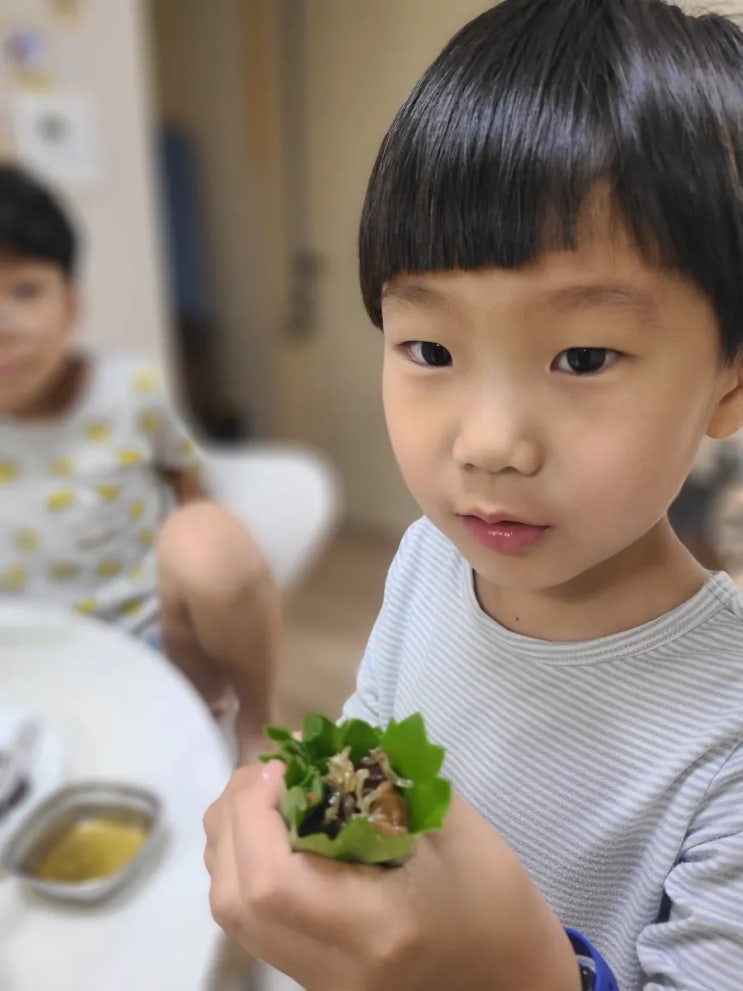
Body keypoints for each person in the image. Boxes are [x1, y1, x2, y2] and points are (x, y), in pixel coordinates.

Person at [203, 1, 743, 988]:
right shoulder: (426, 557)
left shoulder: (725, 733)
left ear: (728, 382)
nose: (488, 443)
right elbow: (375, 732)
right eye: (429, 348)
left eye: (582, 356)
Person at [0, 165, 277, 762]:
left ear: (71, 303)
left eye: (24, 291)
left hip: (147, 643)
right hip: (23, 668)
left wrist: (198, 596)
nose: (5, 326)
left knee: (208, 541)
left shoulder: (130, 391)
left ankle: (258, 728)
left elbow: (187, 478)